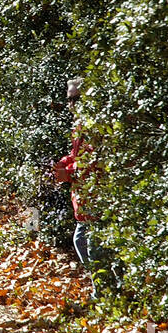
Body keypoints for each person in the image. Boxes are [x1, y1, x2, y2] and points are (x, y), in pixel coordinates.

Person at [53, 76, 101, 293]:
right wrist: (62, 165)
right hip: (83, 201)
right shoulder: (80, 126)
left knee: (92, 247)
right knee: (84, 243)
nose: (72, 105)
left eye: (77, 99)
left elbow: (97, 163)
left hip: (97, 199)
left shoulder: (96, 127)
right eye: (70, 100)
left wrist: (69, 173)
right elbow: (78, 156)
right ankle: (103, 293)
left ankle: (105, 295)